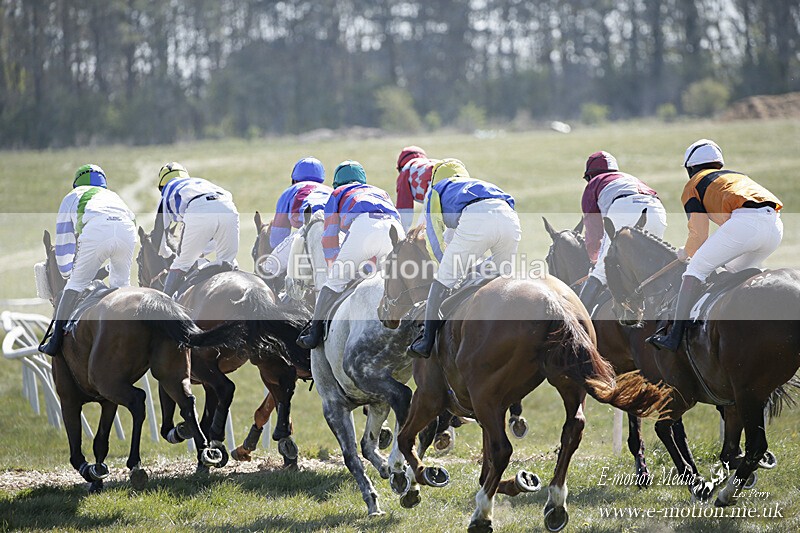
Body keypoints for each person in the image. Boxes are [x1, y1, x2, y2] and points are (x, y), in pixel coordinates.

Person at [648, 139, 783, 351]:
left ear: (690, 168)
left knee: (695, 270)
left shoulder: (693, 184)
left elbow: (699, 234)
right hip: (775, 226)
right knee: (734, 270)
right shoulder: (737, 176)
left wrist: (686, 253)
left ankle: (674, 336)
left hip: (746, 225)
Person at [408, 158, 520, 358]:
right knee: (501, 274)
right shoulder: (475, 185)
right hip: (510, 217)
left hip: (477, 218)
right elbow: (453, 235)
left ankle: (426, 342)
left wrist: (446, 269)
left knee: (442, 279)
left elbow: (433, 235)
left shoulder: (435, 191)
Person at [296, 161, 403, 349]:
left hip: (364, 228)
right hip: (394, 228)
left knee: (333, 283)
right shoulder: (380, 192)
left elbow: (329, 237)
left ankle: (314, 334)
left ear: (337, 183)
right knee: (392, 282)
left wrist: (334, 266)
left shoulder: (337, 193)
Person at [39, 164, 136, 356]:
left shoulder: (72, 196)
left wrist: (68, 273)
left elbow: (65, 240)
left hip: (98, 229)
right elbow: (130, 222)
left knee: (74, 285)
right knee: (122, 287)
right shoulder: (113, 196)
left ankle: (55, 341)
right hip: (127, 231)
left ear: (77, 183)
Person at [578, 151, 667, 311]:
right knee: (650, 268)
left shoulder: (594, 184)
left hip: (625, 208)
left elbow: (593, 232)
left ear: (589, 176)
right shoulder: (628, 178)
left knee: (601, 272)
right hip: (657, 210)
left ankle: (577, 323)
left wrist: (594, 260)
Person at [156, 162, 240, 297]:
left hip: (198, 210)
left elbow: (158, 235)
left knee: (181, 264)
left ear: (162, 185)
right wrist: (202, 249)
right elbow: (216, 221)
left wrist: (167, 254)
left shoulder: (168, 190)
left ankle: (166, 309)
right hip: (228, 207)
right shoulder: (201, 182)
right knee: (228, 261)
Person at [260, 157, 332, 279]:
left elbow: (278, 237)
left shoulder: (291, 191)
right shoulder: (331, 191)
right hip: (334, 235)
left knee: (269, 268)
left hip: (308, 230)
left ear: (294, 178)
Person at [395, 145, 439, 231]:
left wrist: (402, 234)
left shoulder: (405, 172)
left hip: (433, 187)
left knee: (422, 233)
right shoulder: (427, 164)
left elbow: (404, 209)